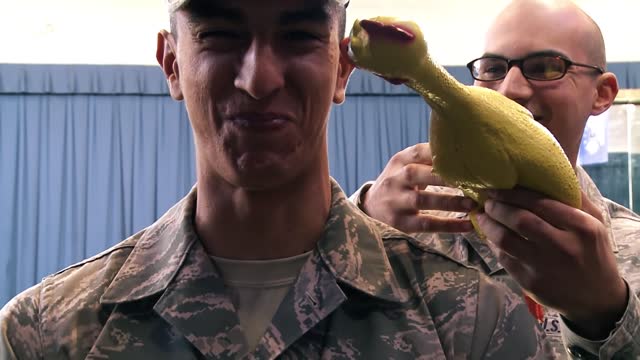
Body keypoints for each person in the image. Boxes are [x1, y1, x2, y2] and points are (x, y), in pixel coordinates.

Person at [0, 0, 553, 359]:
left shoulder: (471, 324)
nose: (259, 78)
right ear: (171, 63)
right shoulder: (48, 334)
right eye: (219, 33)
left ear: (342, 69)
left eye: (297, 36)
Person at [350, 0, 640, 359]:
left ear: (602, 93)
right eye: (492, 69)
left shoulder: (634, 251)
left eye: (546, 67)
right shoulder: (405, 219)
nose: (510, 90)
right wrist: (359, 223)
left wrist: (605, 314)